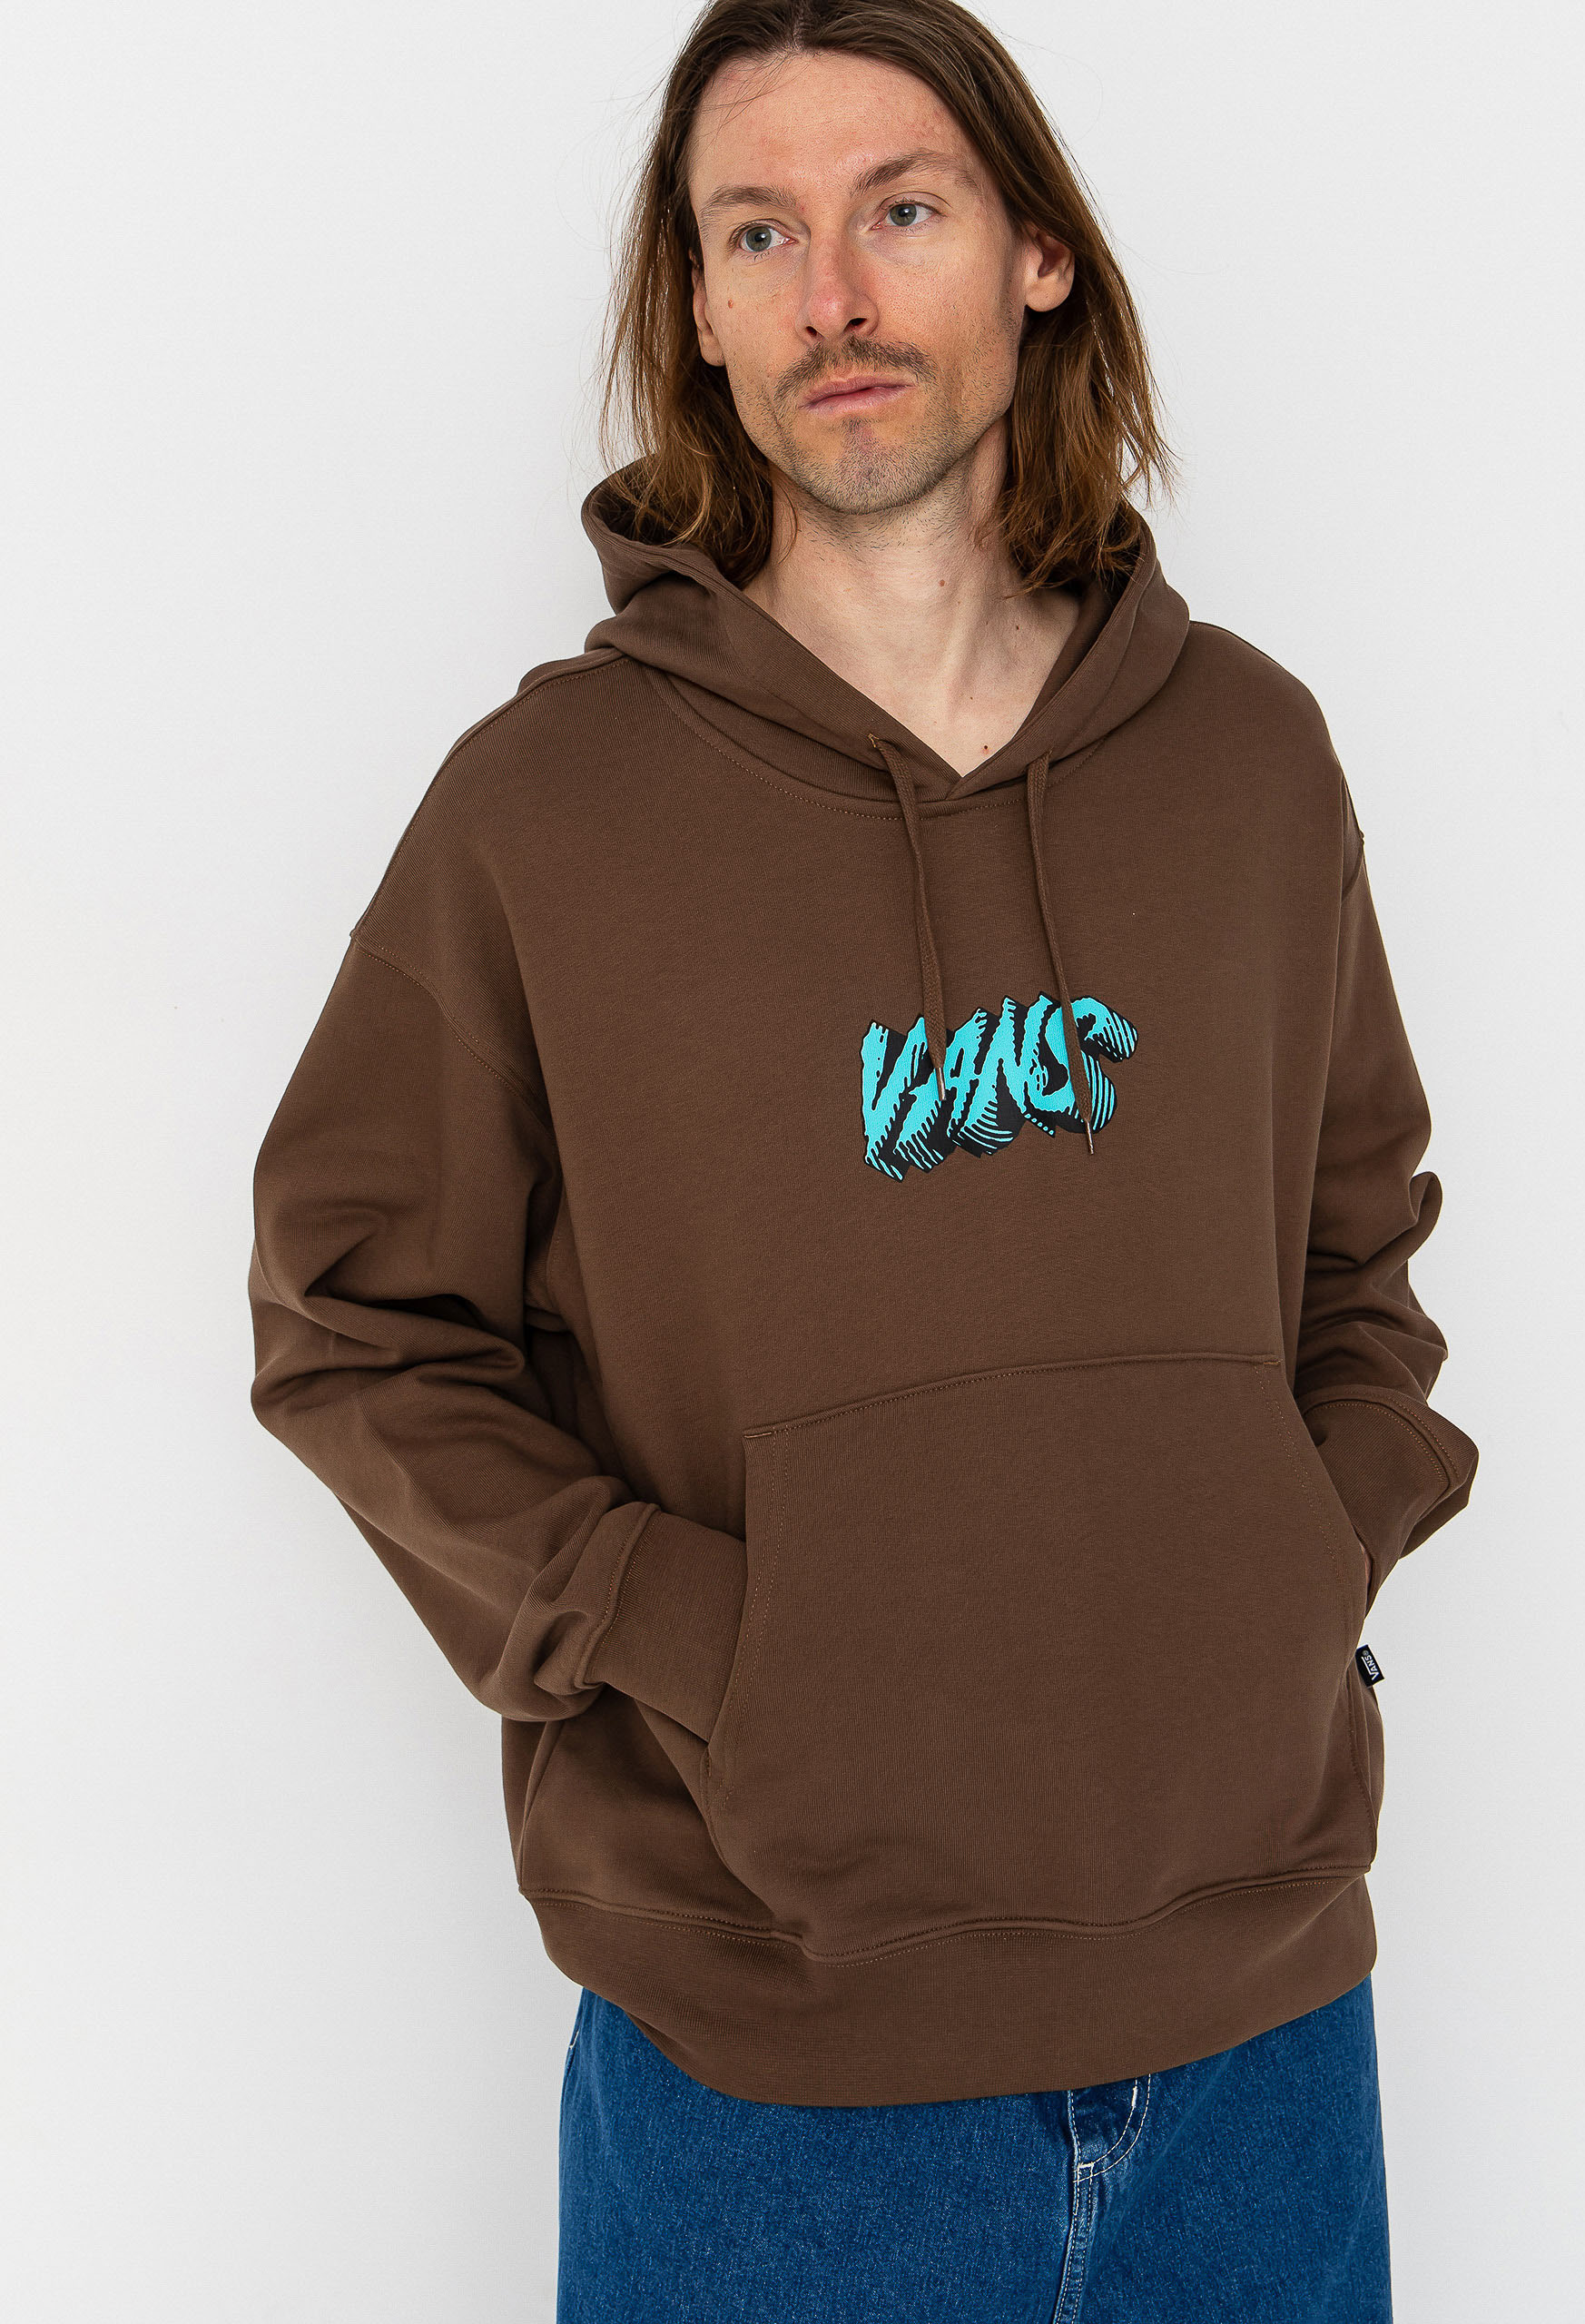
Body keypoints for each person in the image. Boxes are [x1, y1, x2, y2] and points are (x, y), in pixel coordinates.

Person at [247, 1, 1480, 2315]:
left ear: (1034, 254)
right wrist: (710, 1639)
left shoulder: (1246, 761)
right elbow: (351, 1319)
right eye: (759, 233)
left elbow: (1360, 1255)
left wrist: (1293, 1558)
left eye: (899, 209)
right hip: (772, 2083)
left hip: (1264, 2045)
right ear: (703, 318)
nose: (833, 293)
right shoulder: (546, 814)